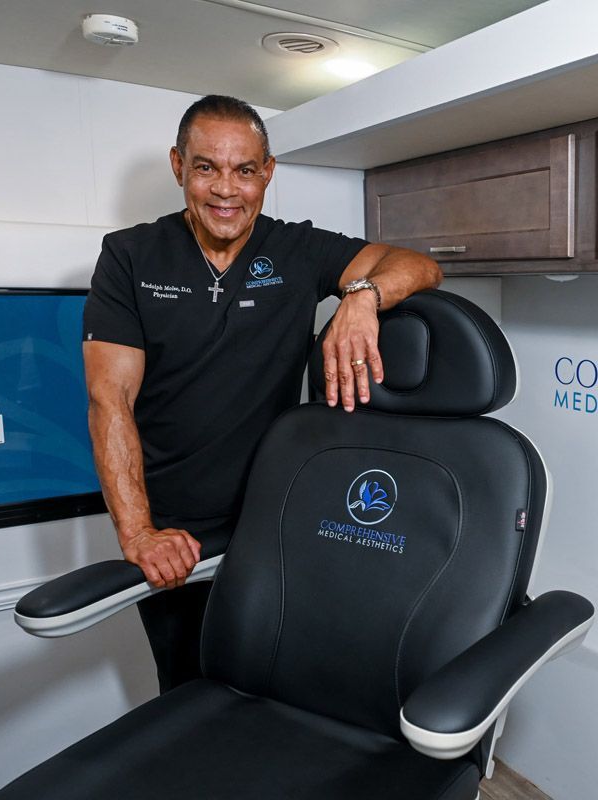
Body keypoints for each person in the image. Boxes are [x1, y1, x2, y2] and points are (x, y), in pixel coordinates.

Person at [81, 95, 441, 693]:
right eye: (206, 167)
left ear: (266, 173)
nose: (227, 189)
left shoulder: (298, 250)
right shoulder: (129, 256)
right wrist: (139, 533)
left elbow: (419, 265)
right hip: (177, 537)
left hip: (279, 521)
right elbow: (108, 399)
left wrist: (362, 297)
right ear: (178, 166)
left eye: (245, 170)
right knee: (190, 692)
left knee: (283, 683)